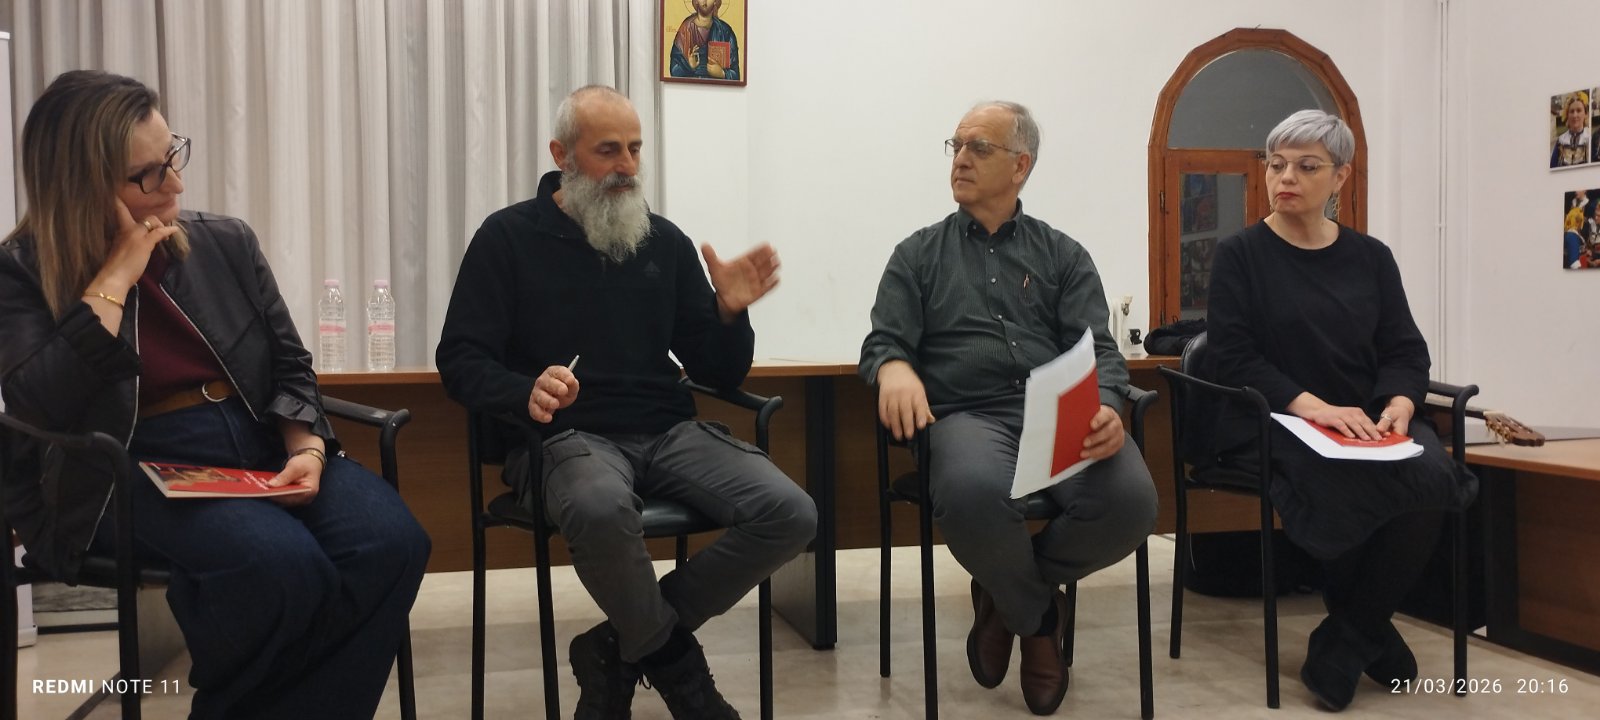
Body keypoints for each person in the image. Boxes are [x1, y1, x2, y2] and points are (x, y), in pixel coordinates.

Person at [0, 70, 429, 719]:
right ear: (84, 187)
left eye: (172, 155)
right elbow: (38, 404)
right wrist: (115, 276)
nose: (175, 184)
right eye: (148, 175)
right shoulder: (22, 269)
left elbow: (290, 365)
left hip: (257, 437)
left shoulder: (224, 241)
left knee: (393, 542)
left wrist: (307, 448)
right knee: (276, 566)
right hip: (125, 467)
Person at [435, 85, 815, 720]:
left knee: (792, 513)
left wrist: (729, 313)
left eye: (635, 149)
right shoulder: (506, 237)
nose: (628, 166)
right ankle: (680, 673)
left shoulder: (661, 241)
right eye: (608, 150)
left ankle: (617, 647)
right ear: (562, 154)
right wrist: (524, 389)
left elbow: (718, 371)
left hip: (668, 432)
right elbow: (460, 359)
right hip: (563, 438)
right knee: (600, 506)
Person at [860, 100, 1158, 716]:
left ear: (1021, 166)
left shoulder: (1063, 255)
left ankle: (1005, 595)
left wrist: (1107, 405)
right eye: (956, 146)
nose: (960, 159)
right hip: (967, 416)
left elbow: (1099, 351)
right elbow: (884, 342)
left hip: (1059, 412)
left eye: (979, 147)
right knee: (971, 492)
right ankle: (1041, 621)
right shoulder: (917, 255)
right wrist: (892, 368)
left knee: (1131, 502)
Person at [1205, 109, 1478, 711]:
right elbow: (1234, 356)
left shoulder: (1371, 257)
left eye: (1307, 166)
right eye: (1277, 164)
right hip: (1278, 417)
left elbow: (1405, 348)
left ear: (1341, 177)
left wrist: (1401, 403)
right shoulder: (1240, 255)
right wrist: (1315, 409)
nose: (1286, 177)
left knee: (1433, 474)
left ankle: (1348, 634)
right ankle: (1366, 632)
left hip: (1368, 418)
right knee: (1336, 482)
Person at [668, 0, 741, 80]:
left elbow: (735, 74)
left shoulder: (725, 31)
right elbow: (674, 70)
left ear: (715, 1)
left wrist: (722, 74)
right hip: (691, 85)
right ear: (696, 1)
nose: (705, 1)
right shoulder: (685, 29)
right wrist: (689, 66)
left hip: (716, 86)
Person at [1550, 92, 1590, 168]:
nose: (1575, 115)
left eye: (1579, 110)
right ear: (1567, 115)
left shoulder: (1591, 138)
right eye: (1571, 111)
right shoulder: (1561, 140)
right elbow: (1553, 167)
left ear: (1585, 114)